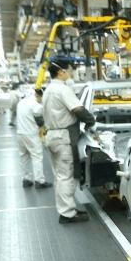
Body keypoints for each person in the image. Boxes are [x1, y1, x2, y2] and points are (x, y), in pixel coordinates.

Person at [42, 59, 96, 223]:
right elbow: (78, 109)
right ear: (61, 72)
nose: (71, 73)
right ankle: (67, 213)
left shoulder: (48, 90)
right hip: (63, 137)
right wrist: (91, 120)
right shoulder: (62, 89)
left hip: (52, 136)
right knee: (66, 175)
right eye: (70, 70)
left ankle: (65, 209)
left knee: (60, 176)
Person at [15, 88, 52, 188]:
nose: (41, 100)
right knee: (37, 156)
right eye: (41, 98)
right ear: (38, 95)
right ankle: (39, 181)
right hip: (30, 134)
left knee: (24, 157)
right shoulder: (34, 104)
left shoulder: (21, 102)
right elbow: (41, 117)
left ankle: (26, 179)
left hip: (20, 133)